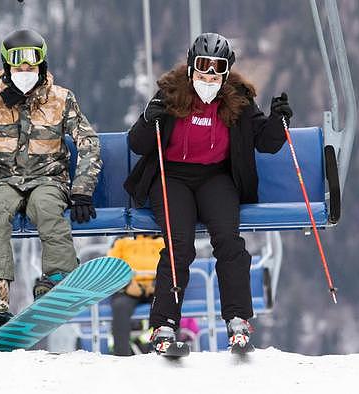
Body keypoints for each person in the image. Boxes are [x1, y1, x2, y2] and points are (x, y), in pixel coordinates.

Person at [124, 32, 293, 354]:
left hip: (215, 177)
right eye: (203, 67)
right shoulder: (171, 95)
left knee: (229, 242)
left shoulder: (238, 99)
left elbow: (267, 143)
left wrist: (278, 120)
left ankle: (238, 320)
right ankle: (164, 324)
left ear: (227, 71)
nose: (209, 76)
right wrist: (149, 120)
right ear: (190, 66)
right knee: (180, 246)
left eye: (217, 68)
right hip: (171, 176)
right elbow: (137, 143)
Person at [0, 28, 102, 321]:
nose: (25, 71)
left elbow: (89, 142)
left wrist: (82, 189)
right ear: (8, 67)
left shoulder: (61, 99)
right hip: (3, 179)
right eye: (19, 66)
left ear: (41, 66)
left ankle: (57, 277)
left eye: (31, 65)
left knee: (47, 209)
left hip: (48, 178)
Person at [106, 234, 164, 356]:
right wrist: (127, 284)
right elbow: (112, 266)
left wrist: (157, 284)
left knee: (167, 304)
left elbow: (170, 264)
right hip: (129, 290)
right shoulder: (121, 240)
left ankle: (166, 349)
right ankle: (121, 354)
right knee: (120, 306)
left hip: (156, 288)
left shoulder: (162, 240)